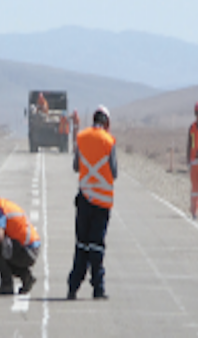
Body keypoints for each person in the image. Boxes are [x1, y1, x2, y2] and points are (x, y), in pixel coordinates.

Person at [67, 105, 117, 300]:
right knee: (97, 246)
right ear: (106, 123)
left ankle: (73, 287)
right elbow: (114, 172)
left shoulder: (81, 138)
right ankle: (98, 288)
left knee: (81, 245)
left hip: (84, 201)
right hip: (102, 204)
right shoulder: (109, 141)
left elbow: (75, 166)